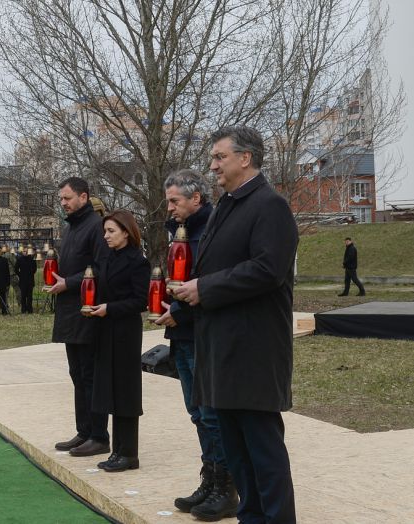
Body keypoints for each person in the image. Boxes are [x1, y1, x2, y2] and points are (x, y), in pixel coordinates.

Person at [174, 126, 298, 523]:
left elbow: (268, 269)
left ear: (246, 158)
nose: (212, 166)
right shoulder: (229, 205)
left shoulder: (269, 205)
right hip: (220, 350)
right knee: (238, 456)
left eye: (219, 157)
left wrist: (204, 288)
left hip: (253, 353)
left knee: (263, 454)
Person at [155, 169, 236, 519]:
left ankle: (225, 487)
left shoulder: (212, 230)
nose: (170, 207)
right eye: (169, 200)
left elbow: (208, 284)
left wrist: (179, 312)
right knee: (196, 413)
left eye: (175, 201)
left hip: (202, 331)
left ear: (196, 199)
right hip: (182, 334)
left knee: (211, 414)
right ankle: (208, 479)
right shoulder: (179, 232)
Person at [47, 176, 111, 457]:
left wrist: (69, 283)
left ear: (83, 197)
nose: (63, 203)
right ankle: (83, 431)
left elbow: (101, 268)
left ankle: (99, 435)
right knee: (76, 373)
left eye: (67, 198)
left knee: (90, 375)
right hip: (69, 310)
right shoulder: (70, 228)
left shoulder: (96, 227)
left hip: (88, 311)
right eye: (61, 198)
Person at [87, 210, 150, 472]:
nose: (106, 236)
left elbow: (140, 301)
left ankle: (129, 453)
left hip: (125, 331)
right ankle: (117, 451)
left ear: (126, 231)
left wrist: (109, 308)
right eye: (105, 232)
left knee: (125, 391)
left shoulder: (138, 261)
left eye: (111, 231)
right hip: (105, 330)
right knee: (109, 388)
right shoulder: (108, 258)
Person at [15, 247, 37, 313]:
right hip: (23, 280)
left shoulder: (32, 259)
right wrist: (20, 275)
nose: (25, 252)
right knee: (23, 295)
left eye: (27, 251)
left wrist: (30, 273)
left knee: (30, 296)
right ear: (22, 252)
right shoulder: (19, 259)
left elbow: (34, 269)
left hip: (30, 280)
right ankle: (23, 309)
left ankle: (30, 309)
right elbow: (16, 269)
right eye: (24, 251)